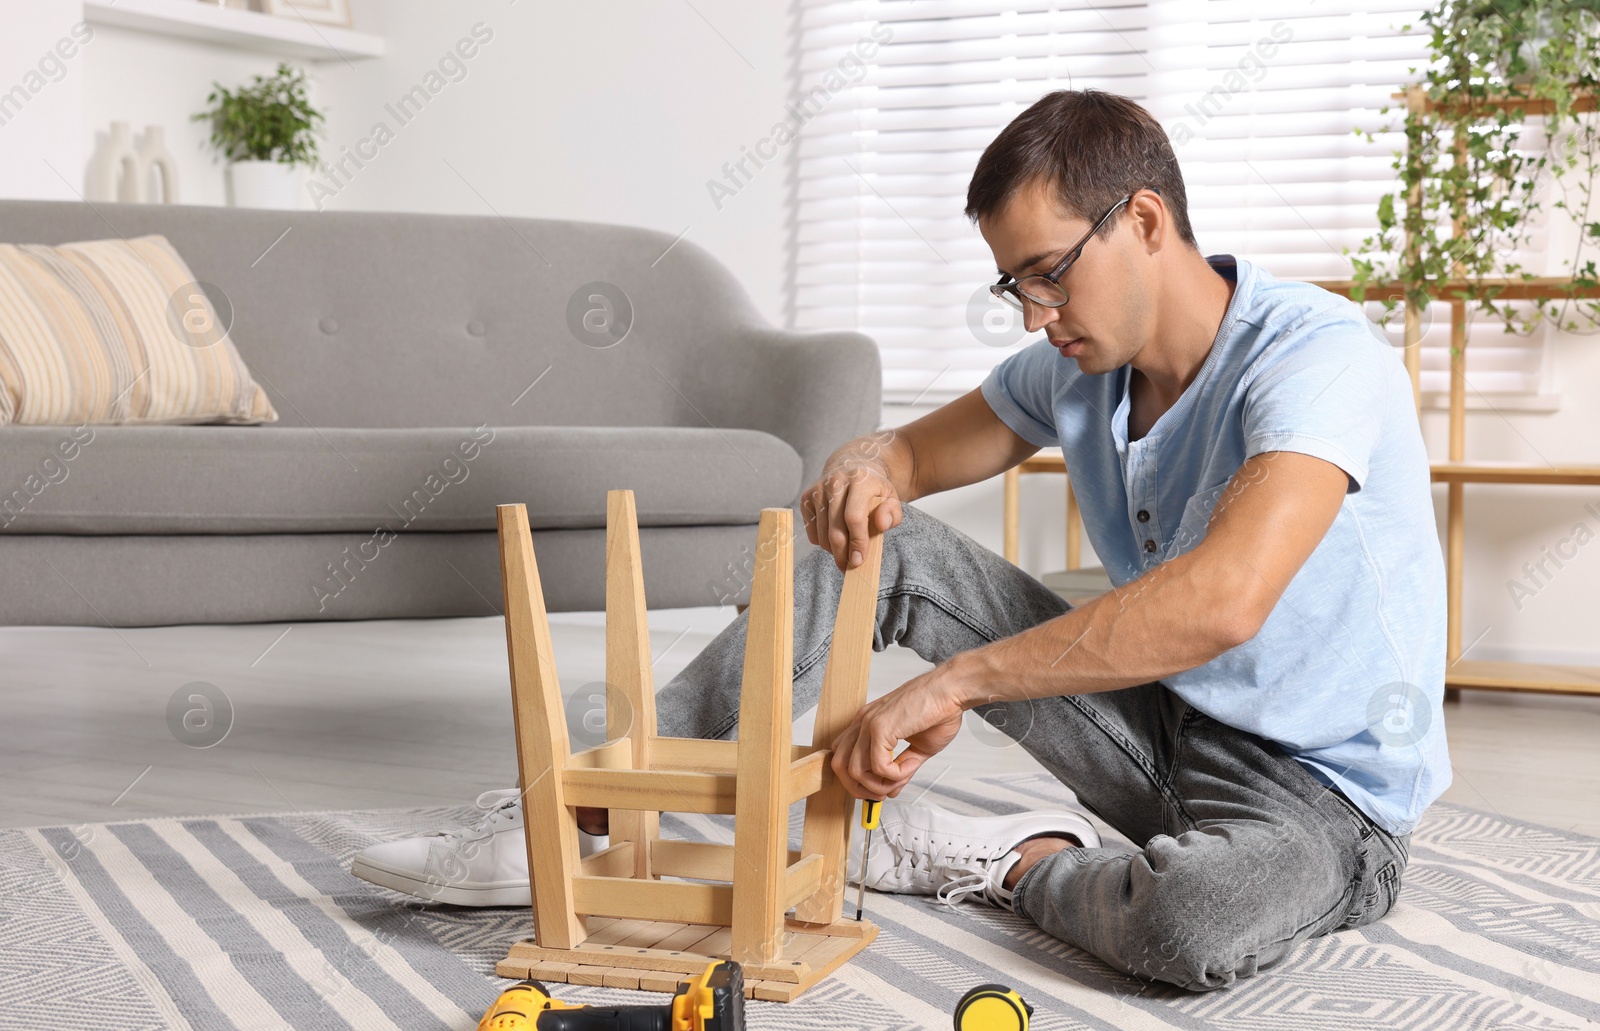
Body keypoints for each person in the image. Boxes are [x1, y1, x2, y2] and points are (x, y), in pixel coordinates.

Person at [352, 88, 1449, 992]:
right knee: (882, 544)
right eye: (1012, 283)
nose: (1032, 314)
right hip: (1162, 722)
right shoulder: (1078, 364)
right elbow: (904, 461)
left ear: (1147, 223)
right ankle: (588, 809)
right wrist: (860, 468)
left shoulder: (1316, 358)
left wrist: (957, 683)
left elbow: (1223, 598)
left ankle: (1015, 860)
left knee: (1189, 925)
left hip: (1320, 795)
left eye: (1050, 272)